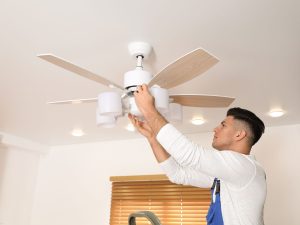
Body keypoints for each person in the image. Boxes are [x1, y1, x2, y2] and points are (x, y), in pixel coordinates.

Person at [128, 84, 266, 225]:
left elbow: (190, 154)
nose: (215, 129)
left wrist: (149, 110)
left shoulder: (245, 167)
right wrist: (152, 138)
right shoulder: (227, 175)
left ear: (239, 134)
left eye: (223, 125)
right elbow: (178, 174)